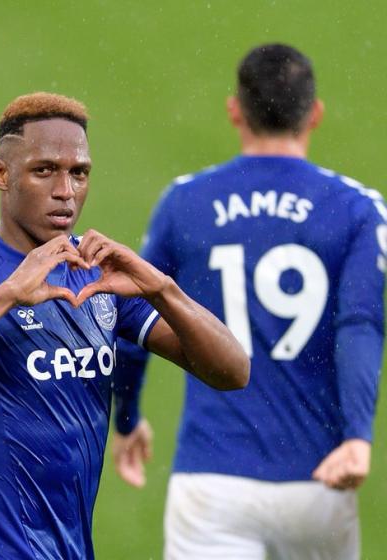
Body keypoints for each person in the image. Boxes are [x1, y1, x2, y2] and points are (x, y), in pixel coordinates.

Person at [0, 92, 249, 559]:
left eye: (79, 173)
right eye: (44, 170)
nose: (66, 190)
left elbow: (232, 372)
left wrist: (162, 289)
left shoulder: (97, 272)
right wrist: (4, 295)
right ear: (1, 175)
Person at [112, 44, 387, 559]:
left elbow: (134, 318)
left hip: (213, 479)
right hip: (319, 478)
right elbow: (360, 323)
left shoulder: (185, 202)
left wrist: (127, 416)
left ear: (235, 109)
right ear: (316, 113)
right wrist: (357, 437)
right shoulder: (357, 209)